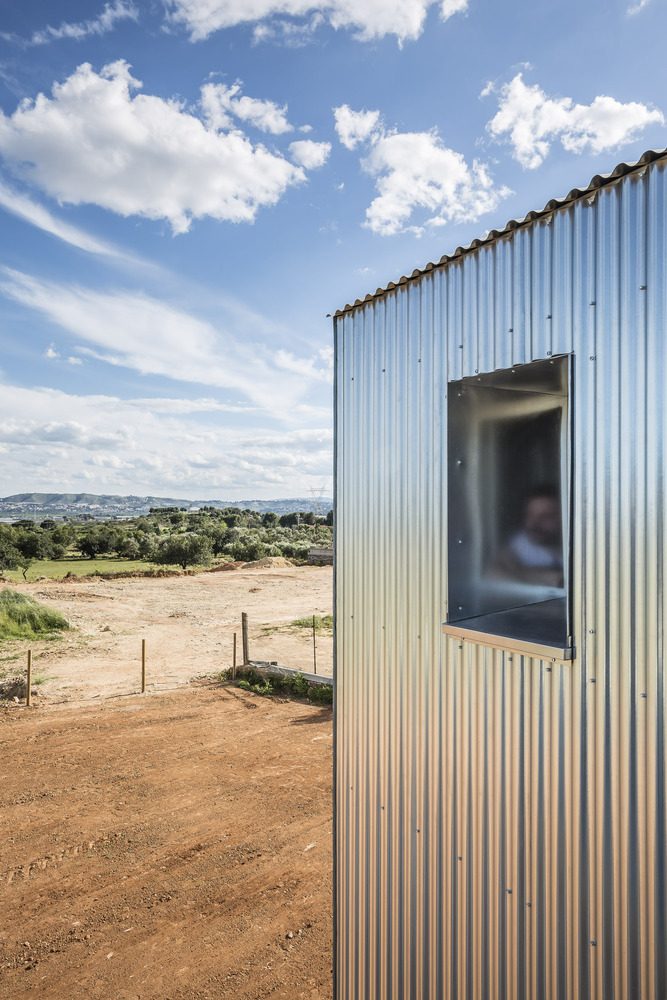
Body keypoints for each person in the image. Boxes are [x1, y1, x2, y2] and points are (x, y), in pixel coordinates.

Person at [491, 484, 564, 588]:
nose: (534, 524)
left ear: (563, 518)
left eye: (546, 517)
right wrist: (543, 577)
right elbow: (492, 573)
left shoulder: (578, 544)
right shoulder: (521, 543)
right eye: (530, 515)